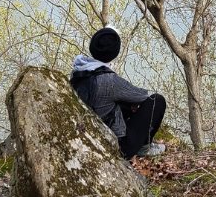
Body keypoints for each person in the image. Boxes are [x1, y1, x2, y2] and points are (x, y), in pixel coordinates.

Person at [70, 26, 167, 158]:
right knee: (157, 101)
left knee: (123, 103)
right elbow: (142, 96)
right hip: (118, 145)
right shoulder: (109, 80)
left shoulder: (78, 71)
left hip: (92, 134)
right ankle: (144, 148)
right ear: (114, 52)